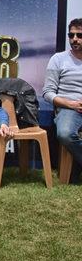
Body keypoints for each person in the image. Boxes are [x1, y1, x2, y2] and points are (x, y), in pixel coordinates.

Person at [43, 17, 82, 180]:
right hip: (68, 108)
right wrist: (71, 104)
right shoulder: (58, 59)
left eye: (79, 35)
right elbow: (47, 92)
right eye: (71, 35)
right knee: (65, 133)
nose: (74, 39)